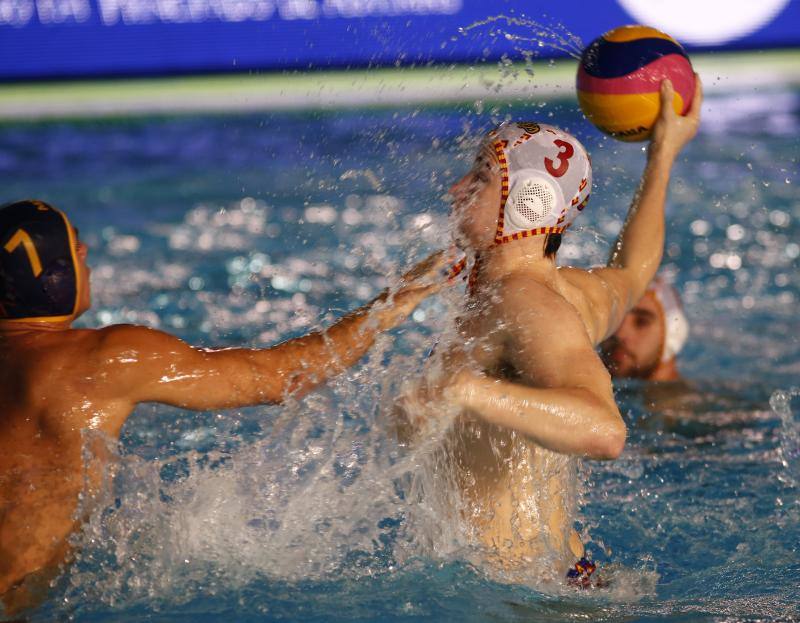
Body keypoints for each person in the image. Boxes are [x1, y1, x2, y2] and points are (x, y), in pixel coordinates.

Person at [0, 199, 446, 616]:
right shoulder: (106, 358)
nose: (88, 257)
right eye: (78, 250)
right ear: (53, 274)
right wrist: (390, 306)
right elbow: (282, 377)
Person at [397, 77, 702, 585]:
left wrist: (468, 390)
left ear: (528, 201)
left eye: (479, 177)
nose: (455, 189)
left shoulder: (525, 305)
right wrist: (663, 154)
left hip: (523, 599)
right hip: (560, 581)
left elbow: (604, 430)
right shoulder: (572, 293)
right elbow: (633, 272)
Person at [600, 275, 689, 382]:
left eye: (641, 322)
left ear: (672, 335)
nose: (619, 333)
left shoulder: (701, 398)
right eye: (613, 319)